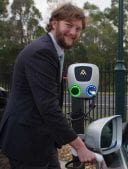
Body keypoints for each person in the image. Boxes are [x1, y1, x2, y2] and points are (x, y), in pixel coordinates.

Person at [0, 3, 96, 169]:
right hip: (26, 143)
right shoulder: (42, 52)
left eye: (78, 29)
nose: (73, 32)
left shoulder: (54, 50)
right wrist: (80, 147)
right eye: (68, 25)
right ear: (54, 23)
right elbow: (48, 106)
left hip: (41, 139)